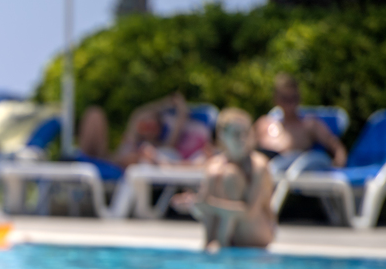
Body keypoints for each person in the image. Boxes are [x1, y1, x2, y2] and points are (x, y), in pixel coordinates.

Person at [171, 108, 276, 252]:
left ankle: (221, 242)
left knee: (230, 176)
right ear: (222, 135)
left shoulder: (258, 166)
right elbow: (205, 209)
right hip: (232, 231)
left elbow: (249, 212)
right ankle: (210, 243)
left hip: (256, 233)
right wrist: (192, 205)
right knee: (216, 173)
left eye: (246, 133)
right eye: (236, 134)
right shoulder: (214, 165)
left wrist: (208, 205)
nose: (242, 139)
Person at [79, 92, 211, 168]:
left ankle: (81, 159)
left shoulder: (162, 148)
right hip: (109, 159)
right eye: (144, 125)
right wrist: (165, 103)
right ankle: (80, 158)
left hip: (118, 167)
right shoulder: (133, 139)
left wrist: (181, 110)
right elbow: (138, 113)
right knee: (94, 114)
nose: (147, 128)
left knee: (95, 115)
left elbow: (177, 127)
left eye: (152, 126)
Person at [254, 73, 347, 174]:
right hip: (261, 172)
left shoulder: (309, 125)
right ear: (276, 99)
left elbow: (337, 148)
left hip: (292, 173)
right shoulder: (263, 123)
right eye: (285, 98)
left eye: (293, 98)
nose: (290, 104)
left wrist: (335, 169)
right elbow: (247, 147)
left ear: (299, 99)